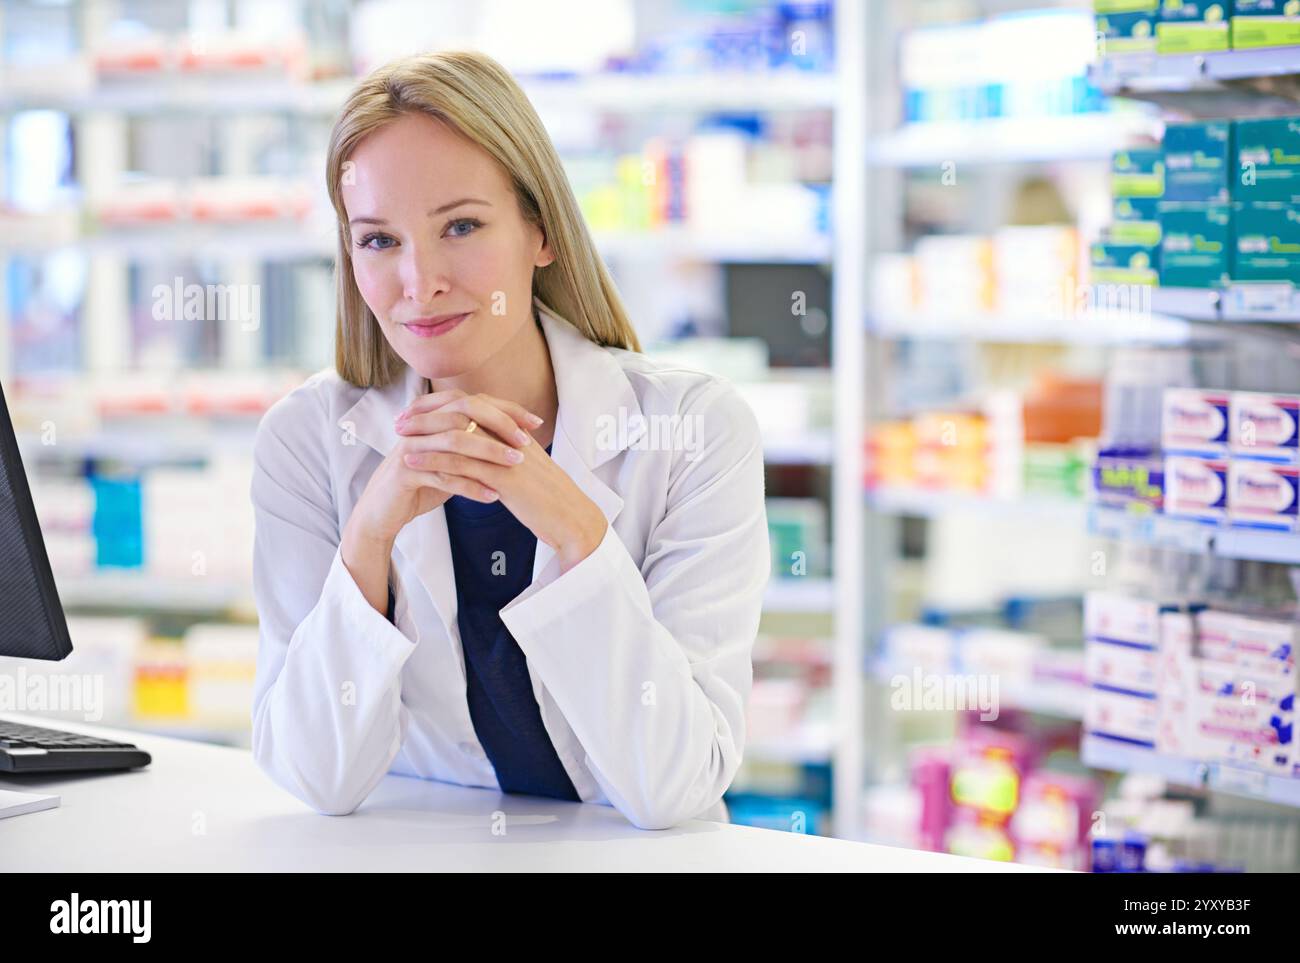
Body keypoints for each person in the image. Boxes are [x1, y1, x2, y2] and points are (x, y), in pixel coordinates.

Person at [249, 49, 770, 830]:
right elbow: (317, 774)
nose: (419, 281)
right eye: (379, 240)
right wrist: (368, 537)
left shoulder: (694, 433)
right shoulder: (307, 441)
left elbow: (673, 785)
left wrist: (574, 528)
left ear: (542, 231)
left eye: (460, 225)